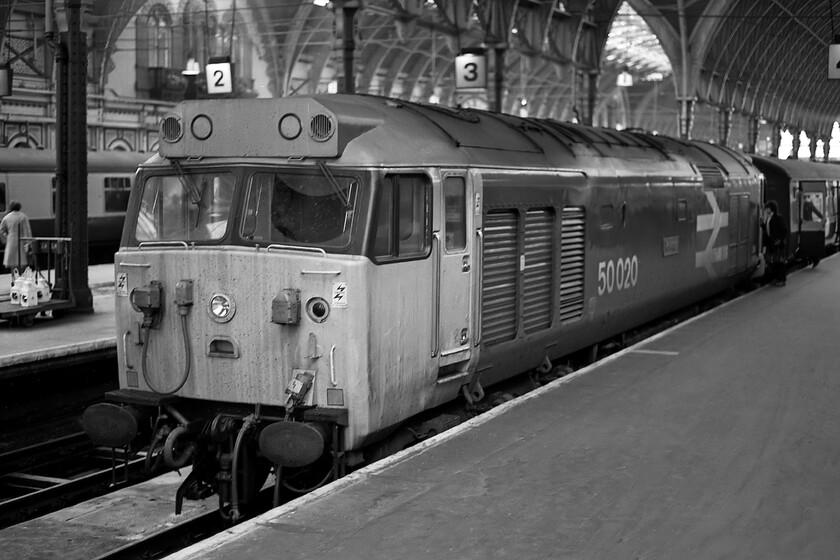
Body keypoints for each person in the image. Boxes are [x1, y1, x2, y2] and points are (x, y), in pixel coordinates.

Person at [0, 200, 33, 274]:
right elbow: (27, 229)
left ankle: (13, 278)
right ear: (19, 207)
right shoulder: (23, 216)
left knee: (12, 262)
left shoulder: (6, 217)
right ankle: (21, 277)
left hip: (11, 240)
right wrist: (29, 242)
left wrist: (6, 239)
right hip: (21, 240)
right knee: (22, 261)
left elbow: (1, 231)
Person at [763, 200, 788, 287]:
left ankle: (782, 279)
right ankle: (776, 278)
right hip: (771, 243)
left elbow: (784, 229)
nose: (766, 210)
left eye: (768, 208)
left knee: (780, 262)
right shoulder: (768, 218)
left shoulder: (778, 217)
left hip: (778, 243)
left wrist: (780, 239)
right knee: (772, 262)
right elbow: (767, 228)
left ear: (771, 208)